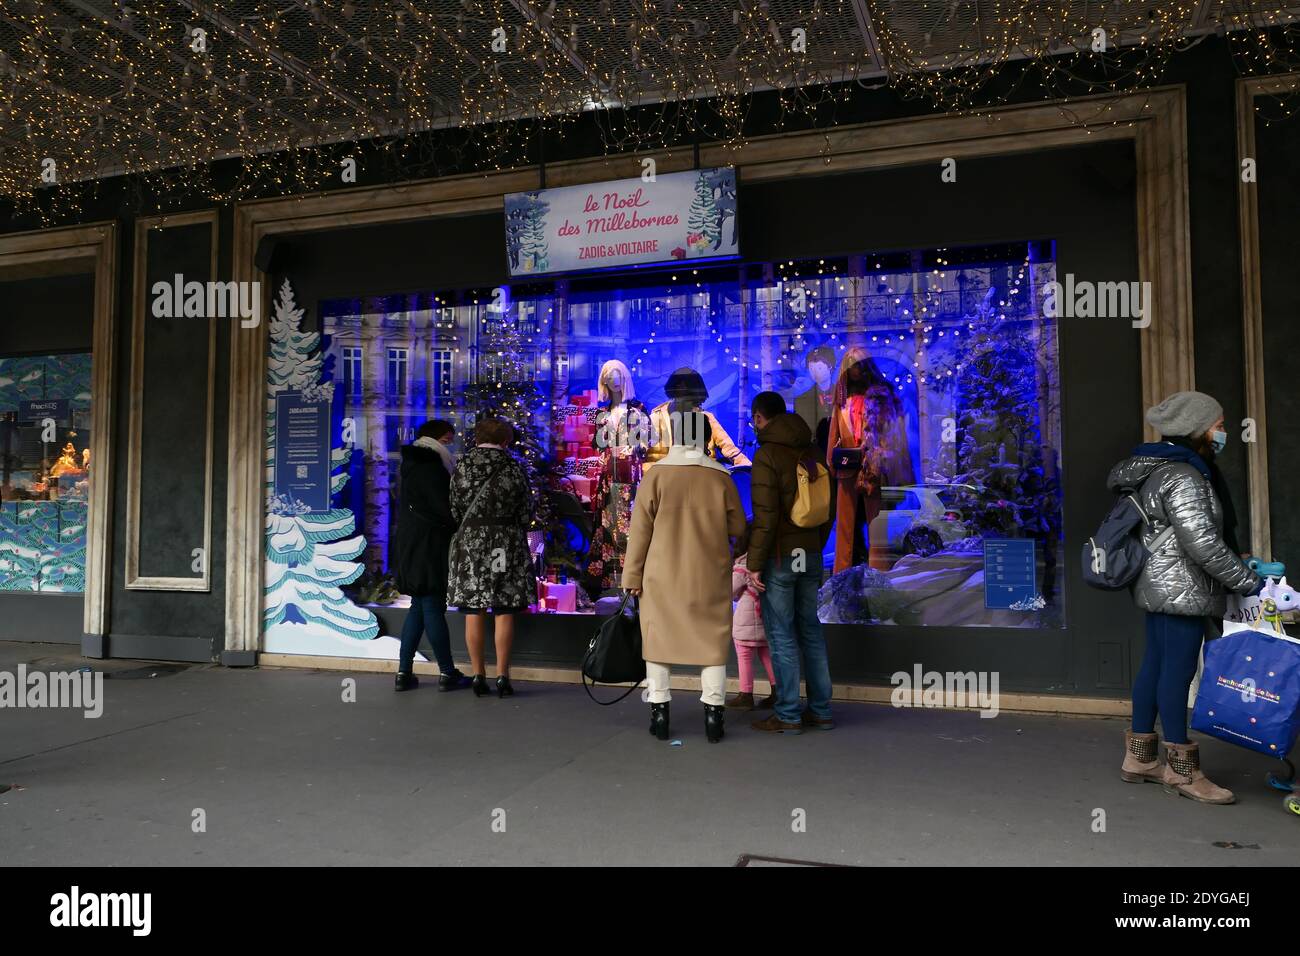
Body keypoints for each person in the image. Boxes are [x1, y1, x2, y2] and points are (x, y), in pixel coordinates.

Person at [1110, 390, 1261, 804]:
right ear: (1198, 429)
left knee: (1156, 665)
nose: (1223, 432)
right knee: (1176, 672)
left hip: (1161, 583)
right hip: (1182, 587)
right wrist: (1245, 580)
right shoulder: (1185, 475)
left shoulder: (1159, 468)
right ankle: (1183, 772)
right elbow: (1202, 544)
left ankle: (1139, 759)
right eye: (1219, 424)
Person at [622, 408, 747, 743]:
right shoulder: (720, 476)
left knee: (659, 644)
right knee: (712, 645)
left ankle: (660, 713)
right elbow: (738, 527)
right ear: (706, 436)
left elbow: (640, 532)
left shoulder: (655, 476)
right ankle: (713, 717)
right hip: (709, 574)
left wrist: (631, 577)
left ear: (675, 435)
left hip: (661, 577)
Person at [745, 391, 835, 734]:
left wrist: (754, 563)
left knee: (781, 634)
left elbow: (766, 517)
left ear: (758, 418)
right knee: (810, 630)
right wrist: (814, 544)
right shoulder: (812, 451)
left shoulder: (767, 455)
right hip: (810, 555)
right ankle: (821, 710)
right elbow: (828, 508)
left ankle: (787, 713)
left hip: (781, 557)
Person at [447, 417, 536, 699]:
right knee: (504, 607)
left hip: (472, 541)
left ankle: (477, 674)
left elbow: (455, 507)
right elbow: (526, 511)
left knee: (474, 610)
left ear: (477, 437)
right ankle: (502, 675)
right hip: (505, 542)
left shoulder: (463, 465)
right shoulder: (513, 467)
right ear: (506, 441)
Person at [393, 419, 470, 692]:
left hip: (412, 542)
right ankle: (447, 672)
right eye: (448, 439)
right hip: (430, 544)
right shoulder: (431, 466)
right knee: (433, 605)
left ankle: (404, 672)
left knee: (418, 606)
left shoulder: (413, 463)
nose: (452, 444)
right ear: (437, 439)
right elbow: (443, 508)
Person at [826, 348, 913, 573]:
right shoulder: (842, 398)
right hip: (847, 464)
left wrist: (887, 458)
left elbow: (893, 433)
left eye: (858, 364)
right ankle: (841, 572)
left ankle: (879, 571)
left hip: (873, 465)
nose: (855, 369)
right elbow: (834, 431)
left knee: (876, 523)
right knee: (845, 524)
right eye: (851, 365)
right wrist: (831, 460)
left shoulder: (880, 395)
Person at [643, 366, 750, 470]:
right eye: (691, 401)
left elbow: (731, 451)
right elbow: (636, 455)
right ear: (678, 391)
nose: (694, 407)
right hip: (663, 483)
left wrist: (749, 469)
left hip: (700, 479)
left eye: (697, 403)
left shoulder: (706, 418)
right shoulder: (654, 420)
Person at [729, 523, 776, 711]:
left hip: (746, 619)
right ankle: (777, 690)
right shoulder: (768, 562)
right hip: (765, 616)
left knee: (744, 654)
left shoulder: (742, 565)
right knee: (766, 654)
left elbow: (729, 592)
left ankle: (746, 694)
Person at [794, 345, 836, 438]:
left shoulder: (843, 395)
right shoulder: (801, 401)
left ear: (830, 367)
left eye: (819, 368)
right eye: (811, 368)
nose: (815, 372)